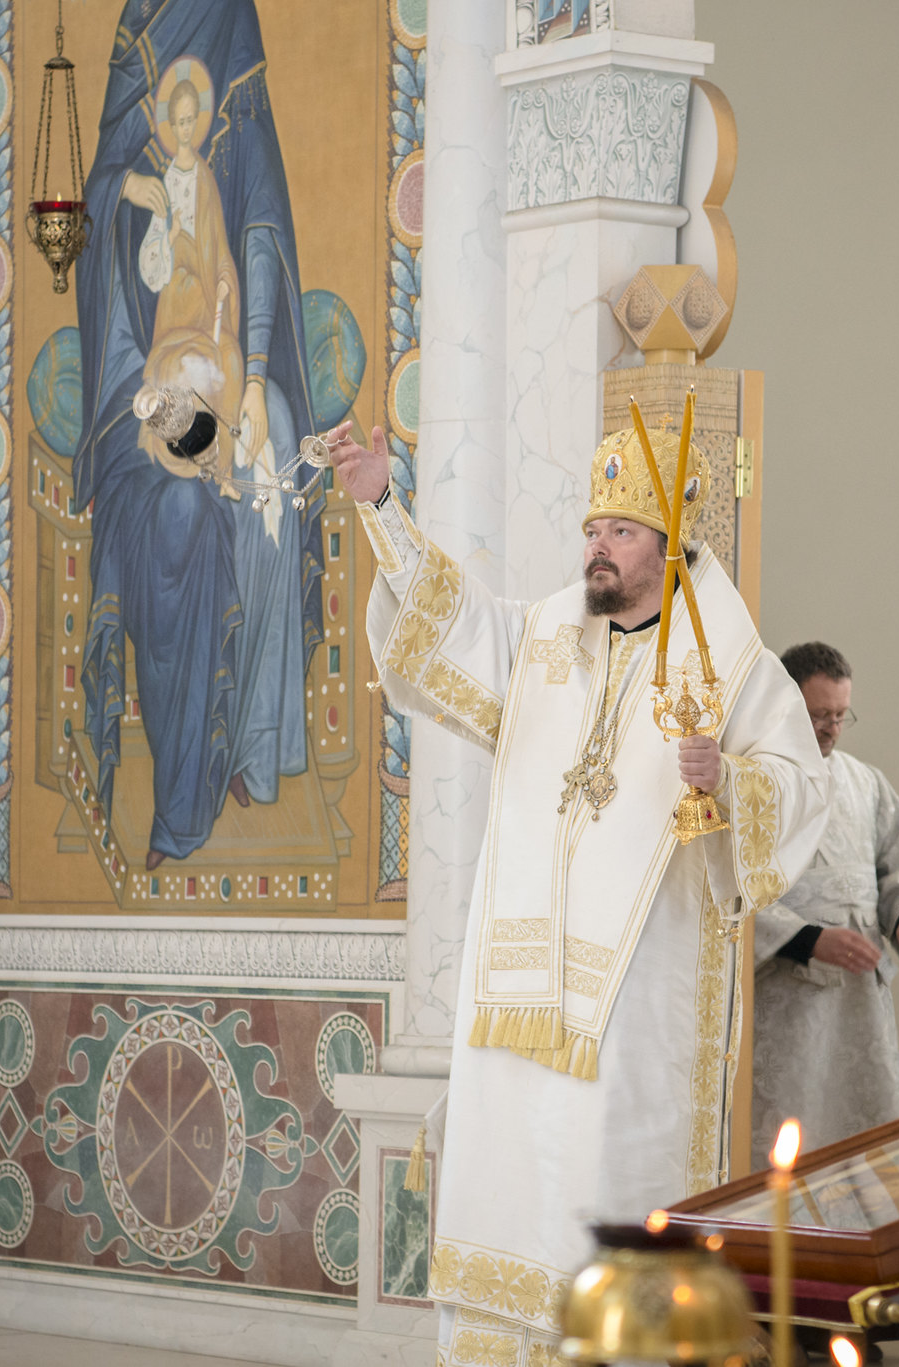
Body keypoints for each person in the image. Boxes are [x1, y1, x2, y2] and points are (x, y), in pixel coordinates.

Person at [326, 418, 828, 1367]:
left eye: (621, 531)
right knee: (513, 1186)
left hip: (637, 1009)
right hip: (515, 1002)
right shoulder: (544, 637)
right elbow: (449, 623)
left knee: (608, 1190)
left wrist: (726, 779)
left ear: (669, 547)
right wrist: (380, 504)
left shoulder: (734, 669)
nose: (597, 544)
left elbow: (803, 793)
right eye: (593, 526)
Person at [75, 0, 323, 870]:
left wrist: (255, 378)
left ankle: (256, 742)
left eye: (195, 111)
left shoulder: (228, 20)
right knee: (178, 517)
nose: (186, 120)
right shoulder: (134, 35)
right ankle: (184, 789)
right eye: (172, 112)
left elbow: (258, 228)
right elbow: (96, 204)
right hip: (136, 384)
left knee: (278, 456)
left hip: (227, 359)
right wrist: (124, 192)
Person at [751, 642, 899, 1169]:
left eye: (840, 715)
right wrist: (809, 939)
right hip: (789, 1001)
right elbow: (727, 889)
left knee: (868, 1141)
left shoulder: (864, 782)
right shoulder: (749, 782)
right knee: (792, 1137)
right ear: (784, 704)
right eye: (818, 715)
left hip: (861, 1002)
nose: (831, 728)